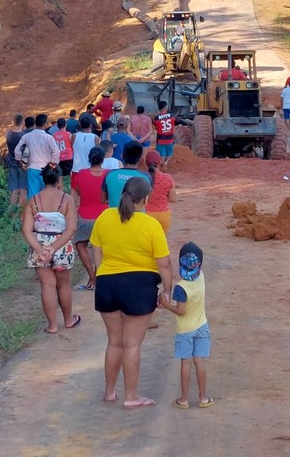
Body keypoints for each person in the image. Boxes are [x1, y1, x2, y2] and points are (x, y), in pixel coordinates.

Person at [90, 176, 173, 409]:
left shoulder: (105, 217)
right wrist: (167, 290)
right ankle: (131, 396)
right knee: (132, 344)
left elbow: (97, 253)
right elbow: (164, 263)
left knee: (114, 342)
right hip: (138, 286)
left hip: (107, 284)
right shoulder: (150, 225)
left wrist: (99, 278)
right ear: (146, 199)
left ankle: (109, 392)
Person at [22, 164, 80, 334]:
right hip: (61, 246)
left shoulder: (33, 201)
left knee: (47, 285)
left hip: (39, 245)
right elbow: (71, 228)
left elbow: (26, 230)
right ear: (59, 179)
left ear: (43, 178)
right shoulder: (67, 200)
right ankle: (68, 320)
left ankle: (52, 325)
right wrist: (54, 247)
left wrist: (41, 250)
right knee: (64, 285)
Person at [160, 242, 212, 409]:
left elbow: (181, 311)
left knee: (186, 363)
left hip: (185, 331)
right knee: (200, 361)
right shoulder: (201, 276)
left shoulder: (181, 288)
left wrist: (164, 304)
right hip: (202, 326)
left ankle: (184, 399)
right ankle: (203, 398)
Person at [73, 146, 108, 291]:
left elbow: (75, 196)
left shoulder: (80, 174)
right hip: (104, 217)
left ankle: (92, 277)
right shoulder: (108, 174)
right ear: (103, 159)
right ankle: (99, 276)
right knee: (101, 248)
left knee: (81, 245)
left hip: (84, 216)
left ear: (89, 158)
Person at [14, 114, 61, 199]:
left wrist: (22, 164)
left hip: (32, 168)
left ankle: (34, 211)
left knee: (33, 195)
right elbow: (56, 152)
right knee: (47, 194)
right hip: (46, 169)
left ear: (35, 123)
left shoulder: (27, 136)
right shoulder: (48, 137)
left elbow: (17, 151)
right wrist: (53, 164)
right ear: (45, 124)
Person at [101, 141, 149, 208]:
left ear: (122, 155)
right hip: (138, 217)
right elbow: (146, 200)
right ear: (140, 158)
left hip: (115, 216)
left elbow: (103, 199)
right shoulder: (146, 177)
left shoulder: (110, 174)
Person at [145, 150, 177, 233]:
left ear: (146, 163)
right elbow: (173, 199)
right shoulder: (167, 178)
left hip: (145, 215)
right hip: (163, 215)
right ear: (160, 162)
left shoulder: (142, 177)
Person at [70, 116, 101, 200]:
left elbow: (73, 148)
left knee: (74, 191)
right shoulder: (96, 138)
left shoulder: (73, 136)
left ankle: (72, 209)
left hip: (76, 168)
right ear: (91, 125)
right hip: (89, 168)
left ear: (80, 124)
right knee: (88, 191)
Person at [4, 113, 29, 213]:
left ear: (13, 122)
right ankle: (20, 213)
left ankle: (11, 212)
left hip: (11, 163)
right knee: (23, 189)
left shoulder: (8, 134)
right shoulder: (24, 136)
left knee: (14, 190)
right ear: (22, 122)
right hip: (22, 165)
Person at [153, 100, 176, 168]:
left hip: (160, 140)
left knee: (161, 154)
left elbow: (155, 126)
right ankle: (166, 162)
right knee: (169, 152)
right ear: (166, 108)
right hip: (170, 139)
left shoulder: (156, 118)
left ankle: (161, 164)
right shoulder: (172, 116)